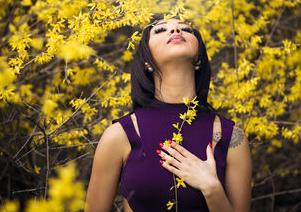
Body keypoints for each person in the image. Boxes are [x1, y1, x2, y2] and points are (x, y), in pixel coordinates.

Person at [85, 18, 252, 212]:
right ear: (146, 61)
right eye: (161, 30)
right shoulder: (119, 135)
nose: (175, 29)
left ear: (198, 56)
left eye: (186, 29)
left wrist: (211, 188)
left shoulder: (232, 137)